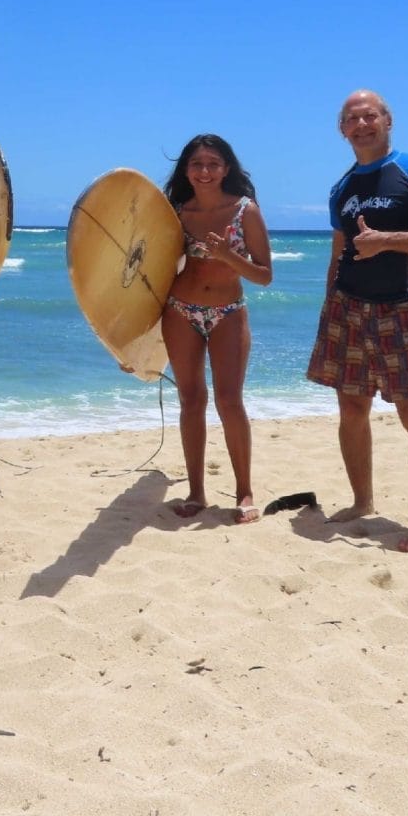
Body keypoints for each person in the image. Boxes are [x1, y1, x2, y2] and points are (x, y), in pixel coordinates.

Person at [307, 90, 408, 553]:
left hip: (405, 306)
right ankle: (361, 500)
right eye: (352, 118)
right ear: (342, 130)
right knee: (351, 410)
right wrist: (330, 302)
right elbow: (338, 251)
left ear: (388, 120)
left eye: (370, 115)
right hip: (347, 308)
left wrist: (385, 240)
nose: (362, 123)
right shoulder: (341, 186)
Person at [160, 134, 273, 524]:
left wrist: (228, 256)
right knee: (191, 401)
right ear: (185, 170)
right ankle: (196, 492)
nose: (204, 171)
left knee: (229, 401)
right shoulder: (176, 212)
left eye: (212, 164)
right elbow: (149, 270)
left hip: (228, 312)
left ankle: (244, 492)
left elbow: (264, 275)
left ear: (226, 169)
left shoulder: (245, 211)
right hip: (179, 311)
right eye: (196, 164)